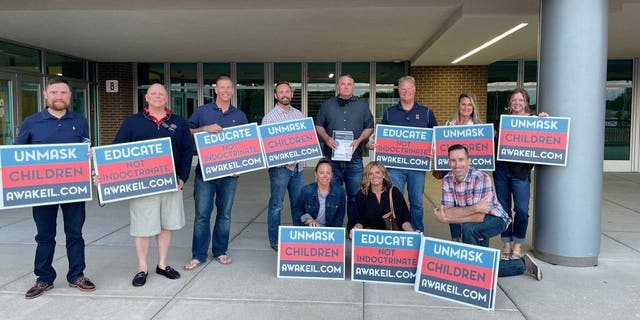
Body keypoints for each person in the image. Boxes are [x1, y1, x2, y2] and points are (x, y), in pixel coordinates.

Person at [16, 77, 96, 299]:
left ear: (70, 96)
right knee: (44, 235)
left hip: (74, 189)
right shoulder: (31, 122)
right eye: (54, 92)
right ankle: (44, 279)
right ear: (45, 94)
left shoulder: (80, 121)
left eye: (63, 93)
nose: (59, 97)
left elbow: (85, 148)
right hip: (42, 191)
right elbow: (17, 155)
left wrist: (89, 157)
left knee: (75, 234)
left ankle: (77, 275)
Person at [110, 83, 194, 287]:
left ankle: (162, 264)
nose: (157, 97)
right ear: (146, 97)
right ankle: (142, 268)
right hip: (143, 185)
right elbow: (117, 150)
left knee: (166, 225)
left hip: (171, 183)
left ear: (167, 98)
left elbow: (186, 150)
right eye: (153, 94)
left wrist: (183, 177)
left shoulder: (178, 122)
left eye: (161, 94)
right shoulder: (132, 122)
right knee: (142, 227)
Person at [433, 144, 542, 280]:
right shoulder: (447, 180)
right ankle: (521, 264)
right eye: (453, 160)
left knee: (468, 230)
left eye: (461, 159)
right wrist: (473, 208)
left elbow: (479, 216)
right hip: (473, 221)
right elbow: (448, 211)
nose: (457, 164)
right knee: (480, 264)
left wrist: (447, 219)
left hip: (496, 219)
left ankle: (472, 271)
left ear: (469, 161)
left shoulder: (481, 178)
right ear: (449, 162)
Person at [185, 76, 248, 270]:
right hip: (205, 173)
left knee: (225, 215)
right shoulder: (202, 111)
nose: (226, 91)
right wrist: (204, 129)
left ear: (232, 90)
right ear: (215, 90)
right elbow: (186, 133)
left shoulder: (239, 115)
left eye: (229, 88)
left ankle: (221, 251)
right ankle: (198, 255)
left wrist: (241, 166)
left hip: (230, 175)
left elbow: (246, 145)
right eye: (222, 87)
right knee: (202, 215)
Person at [367, 75, 437, 233]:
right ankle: (397, 232)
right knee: (394, 200)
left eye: (408, 89)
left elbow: (435, 138)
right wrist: (374, 144)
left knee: (417, 202)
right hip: (394, 167)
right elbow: (381, 137)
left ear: (414, 90)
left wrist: (433, 151)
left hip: (417, 167)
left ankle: (417, 232)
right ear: (399, 91)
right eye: (402, 89)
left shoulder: (426, 113)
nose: (406, 92)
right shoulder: (389, 113)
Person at [493, 88, 548, 260]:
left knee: (522, 210)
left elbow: (548, 136)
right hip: (501, 170)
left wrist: (545, 121)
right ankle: (506, 244)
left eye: (521, 100)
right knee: (503, 209)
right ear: (510, 103)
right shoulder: (502, 121)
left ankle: (518, 243)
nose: (517, 103)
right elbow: (491, 142)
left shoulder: (533, 121)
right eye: (514, 100)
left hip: (521, 172)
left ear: (526, 102)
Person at [315, 74, 374, 229]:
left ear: (353, 87)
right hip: (331, 160)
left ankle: (352, 228)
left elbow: (370, 126)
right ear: (337, 87)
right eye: (343, 84)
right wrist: (326, 138)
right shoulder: (327, 105)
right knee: (332, 195)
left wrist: (360, 140)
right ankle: (332, 228)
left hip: (354, 160)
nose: (346, 86)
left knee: (354, 196)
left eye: (349, 84)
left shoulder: (362, 105)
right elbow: (318, 125)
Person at [262, 81, 305, 251]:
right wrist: (285, 160)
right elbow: (268, 147)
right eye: (281, 92)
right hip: (280, 170)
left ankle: (299, 238)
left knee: (298, 204)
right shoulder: (269, 119)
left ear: (292, 94)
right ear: (275, 95)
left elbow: (304, 139)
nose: (285, 94)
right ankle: (275, 241)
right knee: (277, 205)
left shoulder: (299, 115)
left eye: (287, 91)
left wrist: (298, 157)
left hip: (298, 168)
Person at [445, 92, 482, 242]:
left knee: (469, 204)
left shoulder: (479, 127)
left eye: (469, 105)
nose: (466, 107)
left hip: (470, 175)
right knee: (451, 205)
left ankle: (469, 237)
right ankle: (455, 238)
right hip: (452, 172)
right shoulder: (449, 125)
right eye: (463, 104)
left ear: (473, 108)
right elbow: (442, 148)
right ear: (459, 106)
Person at [350, 161, 415, 239]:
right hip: (369, 238)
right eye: (370, 174)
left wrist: (413, 234)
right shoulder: (362, 194)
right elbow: (358, 220)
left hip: (391, 238)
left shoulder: (394, 192)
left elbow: (403, 219)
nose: (374, 176)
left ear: (383, 175)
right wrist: (356, 229)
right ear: (367, 177)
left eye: (378, 172)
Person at [292, 158, 346, 230]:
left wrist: (334, 233)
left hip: (329, 232)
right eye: (321, 173)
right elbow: (297, 211)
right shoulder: (306, 190)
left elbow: (340, 216)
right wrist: (308, 220)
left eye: (328, 173)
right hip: (309, 230)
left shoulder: (339, 191)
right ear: (316, 174)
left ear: (332, 175)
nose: (325, 176)